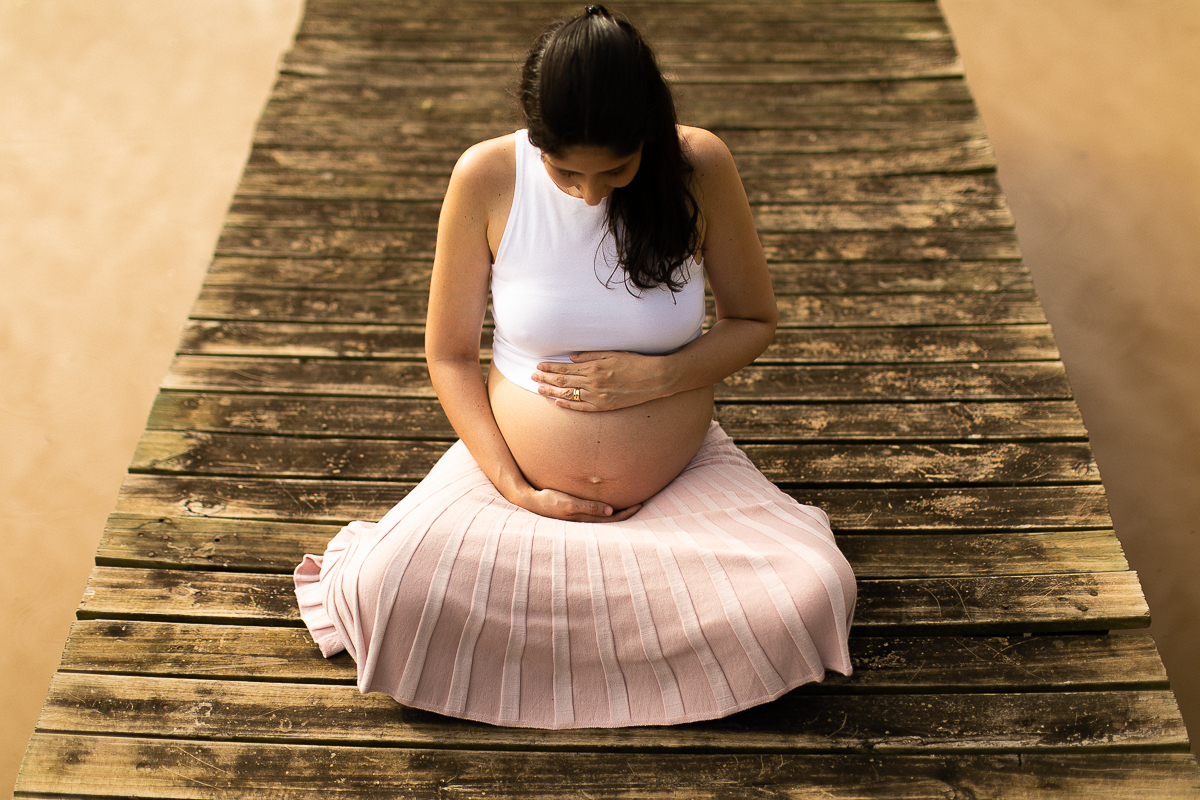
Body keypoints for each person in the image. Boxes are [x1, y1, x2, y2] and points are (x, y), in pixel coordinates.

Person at [295, 4, 856, 729]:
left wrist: (663, 376)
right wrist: (516, 487)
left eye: (615, 169)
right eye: (566, 172)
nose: (591, 192)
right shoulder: (487, 175)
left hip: (679, 487)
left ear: (647, 137)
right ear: (537, 139)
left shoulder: (700, 166)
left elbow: (755, 321)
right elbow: (450, 355)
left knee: (812, 589)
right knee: (387, 587)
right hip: (509, 483)